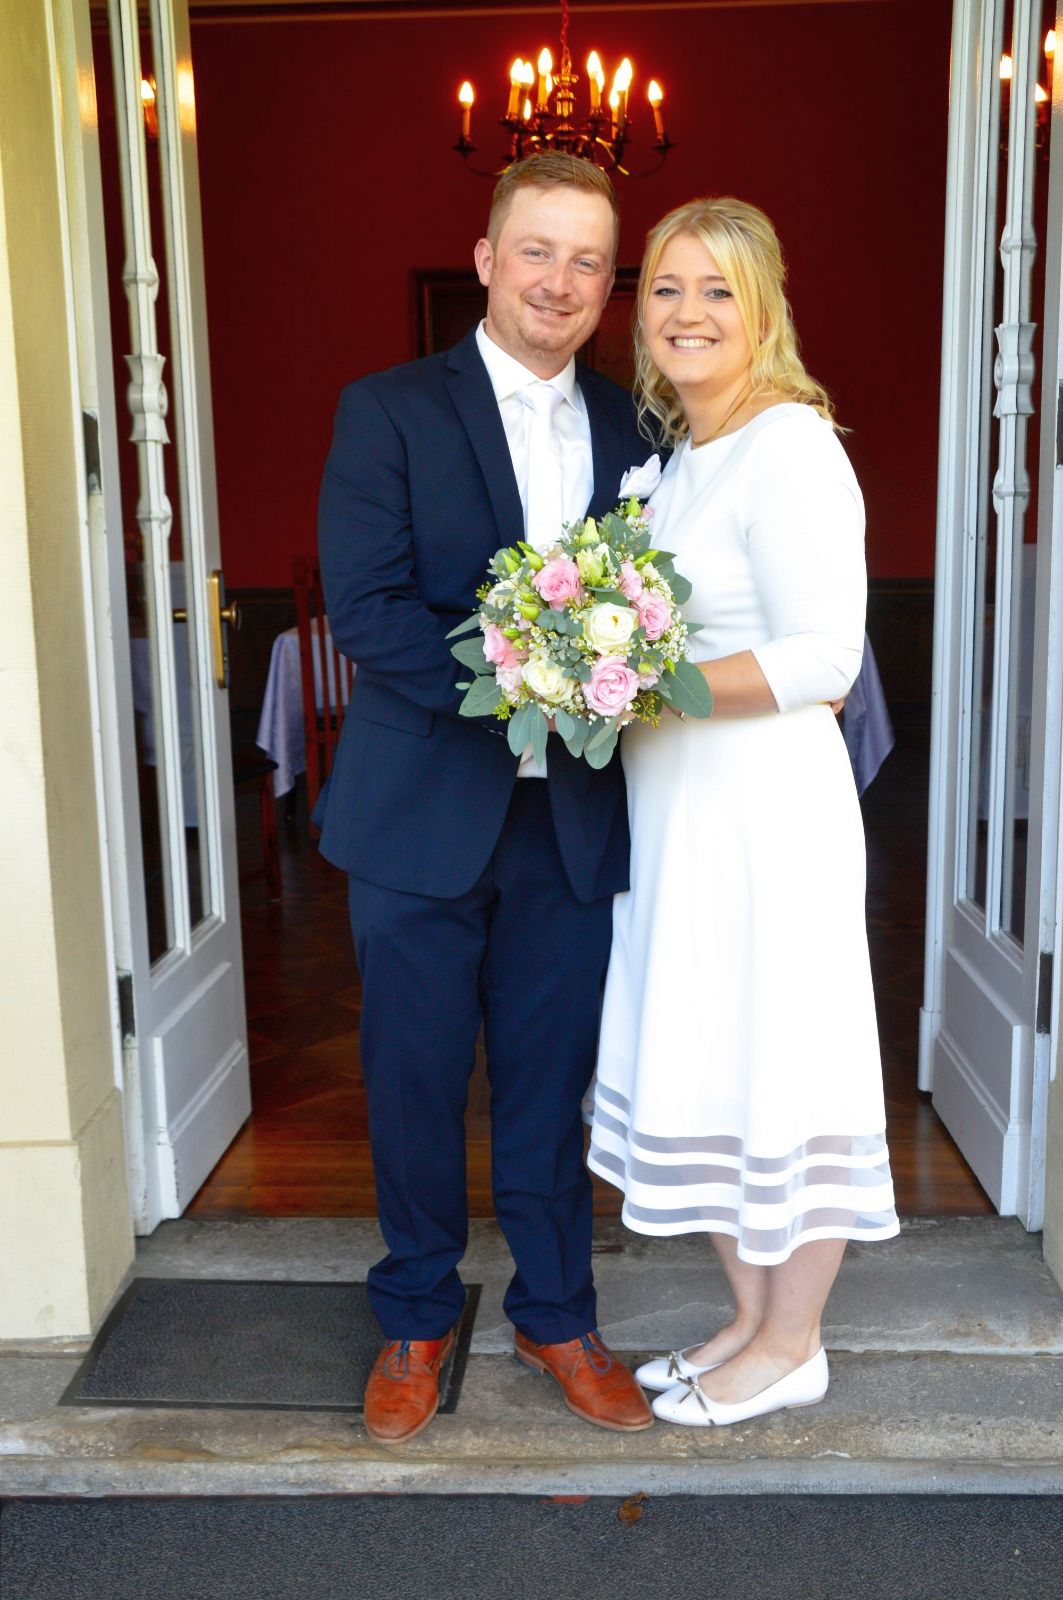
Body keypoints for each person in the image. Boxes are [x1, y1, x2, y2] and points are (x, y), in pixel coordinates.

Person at [316, 153, 653, 1443]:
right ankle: (415, 1312)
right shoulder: (388, 409)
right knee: (411, 1076)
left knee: (548, 1082)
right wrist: (532, 672)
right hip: (418, 810)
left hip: (571, 817)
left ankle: (556, 1314)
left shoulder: (636, 429)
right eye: (537, 251)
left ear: (606, 284)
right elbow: (369, 610)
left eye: (587, 260)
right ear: (486, 260)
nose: (559, 281)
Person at [587, 197, 900, 1428]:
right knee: (711, 1057)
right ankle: (749, 1320)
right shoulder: (673, 463)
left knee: (788, 1064)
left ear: (762, 306)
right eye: (666, 288)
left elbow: (826, 657)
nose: (687, 312)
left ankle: (794, 1342)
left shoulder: (790, 445)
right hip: (678, 816)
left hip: (768, 815)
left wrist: (639, 683)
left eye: (717, 289)